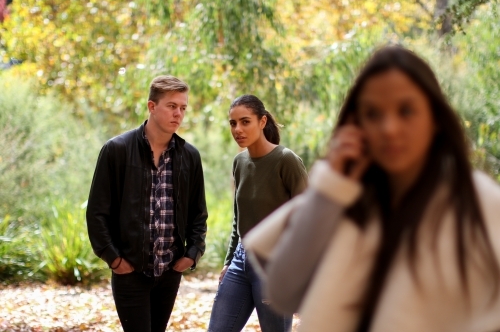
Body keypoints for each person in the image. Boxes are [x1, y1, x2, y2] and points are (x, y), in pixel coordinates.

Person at [244, 45, 500, 332]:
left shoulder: (478, 200)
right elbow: (284, 293)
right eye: (373, 114)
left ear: (436, 119)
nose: (389, 128)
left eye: (406, 110)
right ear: (357, 124)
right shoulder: (338, 198)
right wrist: (328, 191)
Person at [86, 75, 208, 332]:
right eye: (172, 106)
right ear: (152, 107)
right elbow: (97, 212)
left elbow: (198, 213)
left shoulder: (189, 156)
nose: (179, 114)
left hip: (170, 271)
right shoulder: (117, 150)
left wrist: (192, 254)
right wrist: (115, 259)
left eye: (183, 108)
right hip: (130, 271)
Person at [208, 95, 308, 332]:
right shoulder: (239, 162)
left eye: (245, 122)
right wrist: (229, 259)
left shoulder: (286, 161)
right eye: (233, 123)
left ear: (262, 122)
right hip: (241, 261)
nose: (238, 129)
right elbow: (238, 216)